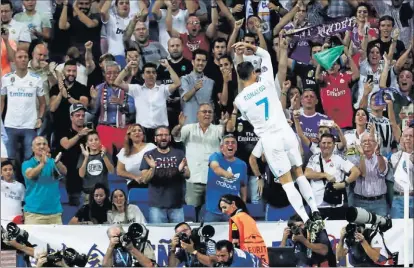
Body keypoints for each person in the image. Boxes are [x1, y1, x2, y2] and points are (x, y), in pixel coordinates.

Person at [233, 41, 323, 237]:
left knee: (287, 182)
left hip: (270, 139)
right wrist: (249, 46)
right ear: (255, 73)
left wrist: (238, 59)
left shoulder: (239, 101)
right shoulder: (266, 83)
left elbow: (248, 117)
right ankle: (315, 211)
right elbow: (266, 55)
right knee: (299, 173)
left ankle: (307, 220)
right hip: (286, 132)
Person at [140, 126, 190, 223]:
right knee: (158, 235)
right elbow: (144, 179)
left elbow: (188, 175)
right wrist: (153, 168)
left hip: (177, 205)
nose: (163, 137)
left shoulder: (179, 153)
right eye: (160, 135)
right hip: (156, 206)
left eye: (166, 135)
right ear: (155, 138)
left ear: (170, 138)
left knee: (180, 236)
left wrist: (182, 170)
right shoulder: (149, 155)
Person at [305, 133, 361, 219]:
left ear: (334, 145)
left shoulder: (339, 158)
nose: (326, 145)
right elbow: (307, 174)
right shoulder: (314, 158)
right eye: (323, 143)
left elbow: (356, 172)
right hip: (317, 205)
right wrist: (325, 175)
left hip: (336, 204)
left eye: (329, 143)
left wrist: (344, 183)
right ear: (319, 144)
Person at [22, 136, 67, 224]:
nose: (42, 146)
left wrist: (58, 162)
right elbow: (30, 174)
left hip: (55, 214)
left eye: (44, 144)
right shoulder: (27, 164)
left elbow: (64, 172)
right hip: (34, 214)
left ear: (48, 148)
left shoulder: (53, 162)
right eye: (38, 144)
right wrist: (42, 163)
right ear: (32, 148)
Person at [205, 134, 248, 222]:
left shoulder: (242, 164)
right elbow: (215, 168)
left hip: (231, 212)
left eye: (233, 143)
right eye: (227, 143)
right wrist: (226, 174)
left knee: (233, 235)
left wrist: (243, 204)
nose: (230, 145)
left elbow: (243, 185)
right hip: (213, 211)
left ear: (236, 147)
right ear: (221, 147)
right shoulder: (215, 156)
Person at [218, 194, 269, 265]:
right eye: (221, 209)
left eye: (224, 207)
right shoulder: (247, 216)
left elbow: (235, 241)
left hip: (246, 254)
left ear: (233, 204)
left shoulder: (235, 219)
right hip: (260, 253)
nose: (223, 211)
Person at [116, 124, 156, 189]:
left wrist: (146, 177)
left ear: (143, 135)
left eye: (139, 130)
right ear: (129, 135)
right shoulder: (123, 151)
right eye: (134, 131)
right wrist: (135, 177)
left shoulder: (151, 147)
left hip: (151, 182)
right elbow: (119, 171)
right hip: (133, 184)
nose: (137, 132)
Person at [78, 131, 114, 197]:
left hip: (103, 191)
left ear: (100, 141)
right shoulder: (83, 156)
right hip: (88, 192)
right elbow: (81, 174)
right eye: (91, 140)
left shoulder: (106, 154)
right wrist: (86, 157)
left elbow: (111, 171)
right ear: (87, 144)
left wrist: (104, 156)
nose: (94, 142)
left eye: (96, 139)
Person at [1, 160, 25, 225]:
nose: (8, 171)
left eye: (10, 169)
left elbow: (23, 203)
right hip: (3, 220)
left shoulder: (20, 186)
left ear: (13, 171)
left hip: (17, 219)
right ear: (1, 173)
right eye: (5, 170)